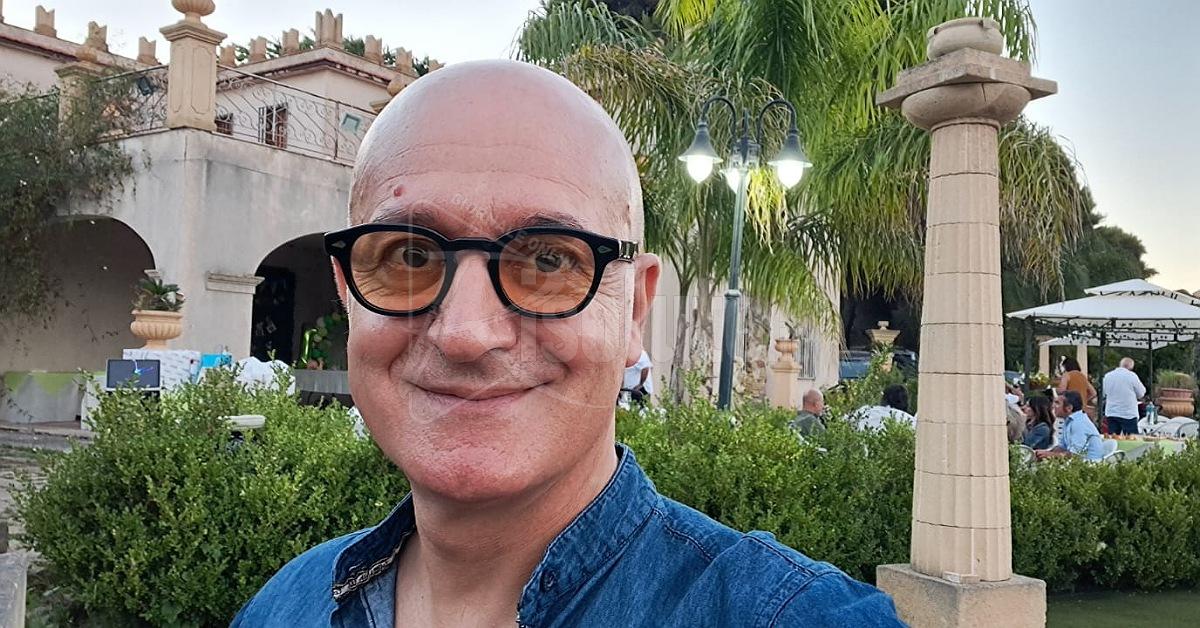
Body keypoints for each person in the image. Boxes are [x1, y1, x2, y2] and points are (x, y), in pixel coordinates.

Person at [233, 60, 900, 626]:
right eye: (410, 258)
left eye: (549, 260)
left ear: (633, 308)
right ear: (348, 294)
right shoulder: (286, 606)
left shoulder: (786, 615)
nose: (466, 333)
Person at [1035, 390, 1105, 462]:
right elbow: (1062, 447)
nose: (1053, 406)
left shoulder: (1079, 423)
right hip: (1078, 463)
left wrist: (1049, 455)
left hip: (1090, 464)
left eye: (1057, 403)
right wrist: (1044, 453)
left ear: (1069, 408)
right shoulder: (1069, 421)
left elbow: (1075, 455)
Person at [1102, 357, 1146, 435]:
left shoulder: (1107, 376)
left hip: (1112, 412)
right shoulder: (1132, 376)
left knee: (1113, 437)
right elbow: (1141, 393)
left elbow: (1104, 392)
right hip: (1128, 413)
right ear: (1131, 367)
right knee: (1131, 438)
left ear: (1120, 364)